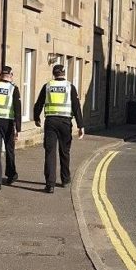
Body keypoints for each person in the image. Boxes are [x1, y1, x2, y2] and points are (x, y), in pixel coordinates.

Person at [33, 64, 84, 193]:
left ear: (53, 73)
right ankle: (65, 179)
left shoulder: (48, 86)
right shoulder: (69, 86)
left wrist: (36, 117)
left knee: (50, 152)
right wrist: (80, 125)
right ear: (64, 73)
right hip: (65, 122)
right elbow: (76, 107)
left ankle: (50, 184)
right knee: (64, 152)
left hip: (50, 122)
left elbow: (39, 103)